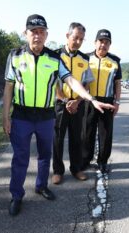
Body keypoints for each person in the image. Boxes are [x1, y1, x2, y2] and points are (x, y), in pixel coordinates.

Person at [2, 14, 113, 216]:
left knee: (45, 154)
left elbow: (70, 80)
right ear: (25, 33)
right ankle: (16, 195)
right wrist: (5, 116)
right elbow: (8, 87)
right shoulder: (15, 55)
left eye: (41, 32)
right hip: (22, 116)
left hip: (45, 115)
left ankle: (41, 186)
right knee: (20, 158)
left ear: (46, 35)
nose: (37, 36)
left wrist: (90, 99)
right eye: (33, 32)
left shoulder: (54, 58)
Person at [51, 22, 93, 185]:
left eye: (81, 39)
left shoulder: (84, 58)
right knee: (58, 138)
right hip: (60, 104)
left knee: (77, 138)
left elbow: (87, 83)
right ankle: (57, 171)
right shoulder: (55, 56)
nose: (78, 42)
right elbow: (52, 82)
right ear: (67, 36)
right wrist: (65, 100)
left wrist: (77, 101)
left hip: (78, 104)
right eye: (75, 38)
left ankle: (76, 169)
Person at [82, 29, 122, 173]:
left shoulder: (115, 61)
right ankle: (86, 160)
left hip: (107, 101)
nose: (103, 45)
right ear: (95, 42)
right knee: (87, 132)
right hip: (89, 101)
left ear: (110, 45)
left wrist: (117, 102)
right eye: (101, 41)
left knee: (105, 133)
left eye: (107, 42)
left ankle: (103, 161)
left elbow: (118, 83)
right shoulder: (85, 58)